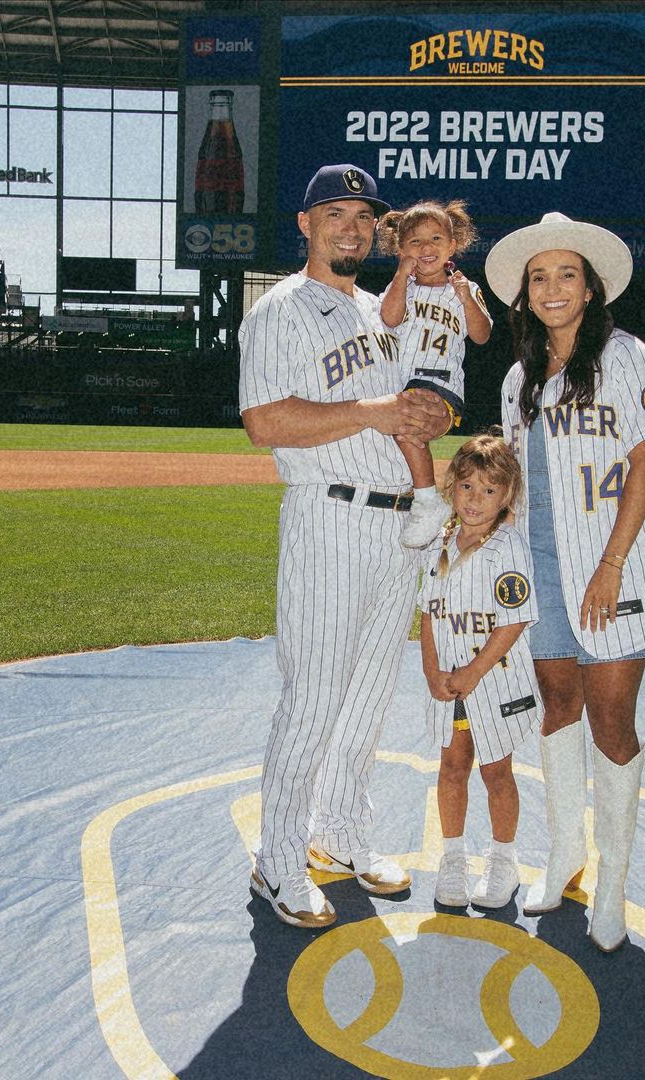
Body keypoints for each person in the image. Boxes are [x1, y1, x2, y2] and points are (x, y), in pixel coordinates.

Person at [238, 164, 451, 929]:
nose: (353, 227)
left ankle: (342, 833)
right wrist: (376, 409)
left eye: (365, 216)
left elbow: (407, 411)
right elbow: (265, 422)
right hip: (329, 519)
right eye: (336, 212)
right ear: (306, 225)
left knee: (365, 702)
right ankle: (279, 857)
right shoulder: (279, 311)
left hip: (399, 525)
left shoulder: (383, 311)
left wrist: (424, 416)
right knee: (314, 701)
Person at [486, 212, 645, 952]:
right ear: (525, 294)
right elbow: (513, 480)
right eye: (539, 277)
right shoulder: (517, 377)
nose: (552, 288)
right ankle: (565, 854)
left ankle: (613, 884)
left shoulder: (629, 356)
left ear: (592, 286)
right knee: (557, 707)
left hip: (614, 568)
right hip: (538, 567)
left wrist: (607, 567)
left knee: (611, 720)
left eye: (567, 273)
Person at [419, 433, 541, 909]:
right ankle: (452, 858)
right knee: (452, 767)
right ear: (453, 487)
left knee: (495, 771)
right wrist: (432, 669)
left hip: (494, 680)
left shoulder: (509, 546)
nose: (476, 500)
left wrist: (472, 672)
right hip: (450, 682)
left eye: (490, 491)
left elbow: (513, 621)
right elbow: (427, 612)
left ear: (507, 496)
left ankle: (503, 860)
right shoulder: (440, 539)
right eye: (467, 487)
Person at [377, 199, 493, 547]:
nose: (426, 248)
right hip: (400, 381)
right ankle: (421, 499)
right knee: (400, 435)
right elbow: (389, 318)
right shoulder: (405, 288)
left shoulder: (465, 288)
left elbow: (482, 335)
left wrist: (466, 298)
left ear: (452, 244)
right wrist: (401, 274)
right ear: (401, 249)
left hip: (440, 382)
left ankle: (428, 501)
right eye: (415, 242)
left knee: (409, 426)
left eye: (436, 239)